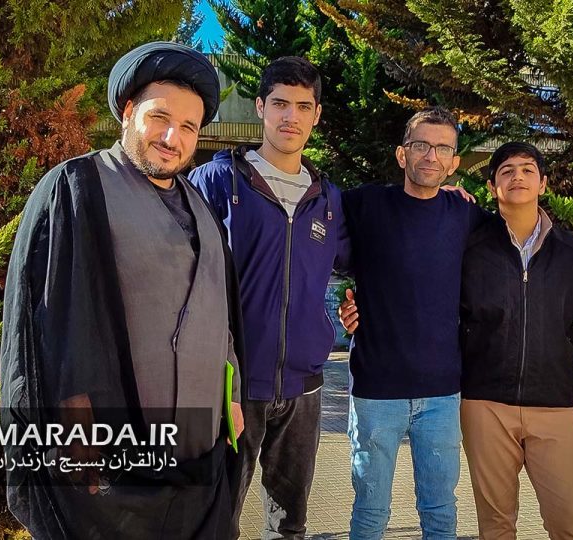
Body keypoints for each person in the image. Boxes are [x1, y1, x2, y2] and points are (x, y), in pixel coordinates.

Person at [0, 41, 244, 539]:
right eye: (160, 118)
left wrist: (233, 396)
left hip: (199, 459)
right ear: (129, 112)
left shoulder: (201, 205)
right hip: (115, 470)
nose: (173, 138)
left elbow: (219, 315)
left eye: (189, 127)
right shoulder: (77, 187)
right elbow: (49, 326)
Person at [188, 56, 349, 540]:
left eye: (303, 106)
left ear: (317, 114)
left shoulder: (328, 199)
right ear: (260, 107)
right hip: (234, 384)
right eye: (280, 103)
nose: (290, 117)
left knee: (290, 526)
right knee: (217, 519)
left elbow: (363, 262)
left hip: (306, 387)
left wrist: (444, 195)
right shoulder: (217, 181)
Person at [338, 106, 487, 540]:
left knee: (440, 512)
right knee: (370, 512)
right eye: (421, 145)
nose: (431, 156)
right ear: (402, 154)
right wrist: (340, 309)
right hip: (375, 390)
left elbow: (518, 244)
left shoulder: (465, 214)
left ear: (454, 162)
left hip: (442, 393)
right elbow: (311, 244)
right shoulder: (364, 203)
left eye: (443, 148)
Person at [459, 142, 573, 540]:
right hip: (485, 404)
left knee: (569, 523)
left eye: (527, 170)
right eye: (506, 171)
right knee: (496, 526)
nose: (517, 176)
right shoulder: (470, 247)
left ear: (543, 183)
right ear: (492, 187)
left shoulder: (572, 253)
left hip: (554, 404)